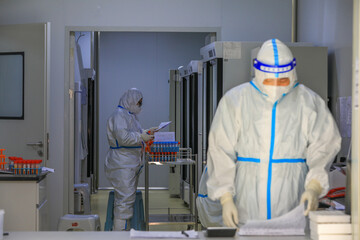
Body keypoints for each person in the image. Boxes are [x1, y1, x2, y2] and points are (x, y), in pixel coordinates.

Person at [206, 39, 341, 228]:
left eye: (283, 80)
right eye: (270, 80)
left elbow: (325, 144)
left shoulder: (308, 101)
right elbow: (220, 149)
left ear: (292, 73)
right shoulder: (236, 100)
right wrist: (225, 197)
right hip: (247, 204)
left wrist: (314, 187)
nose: (276, 86)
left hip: (293, 203)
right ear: (259, 73)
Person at [104, 88, 157, 231]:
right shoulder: (119, 116)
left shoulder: (130, 115)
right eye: (138, 103)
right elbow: (123, 138)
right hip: (122, 164)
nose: (140, 106)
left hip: (129, 163)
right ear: (130, 101)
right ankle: (119, 233)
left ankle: (124, 231)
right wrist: (141, 137)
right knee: (124, 202)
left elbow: (133, 133)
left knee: (127, 200)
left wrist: (146, 132)